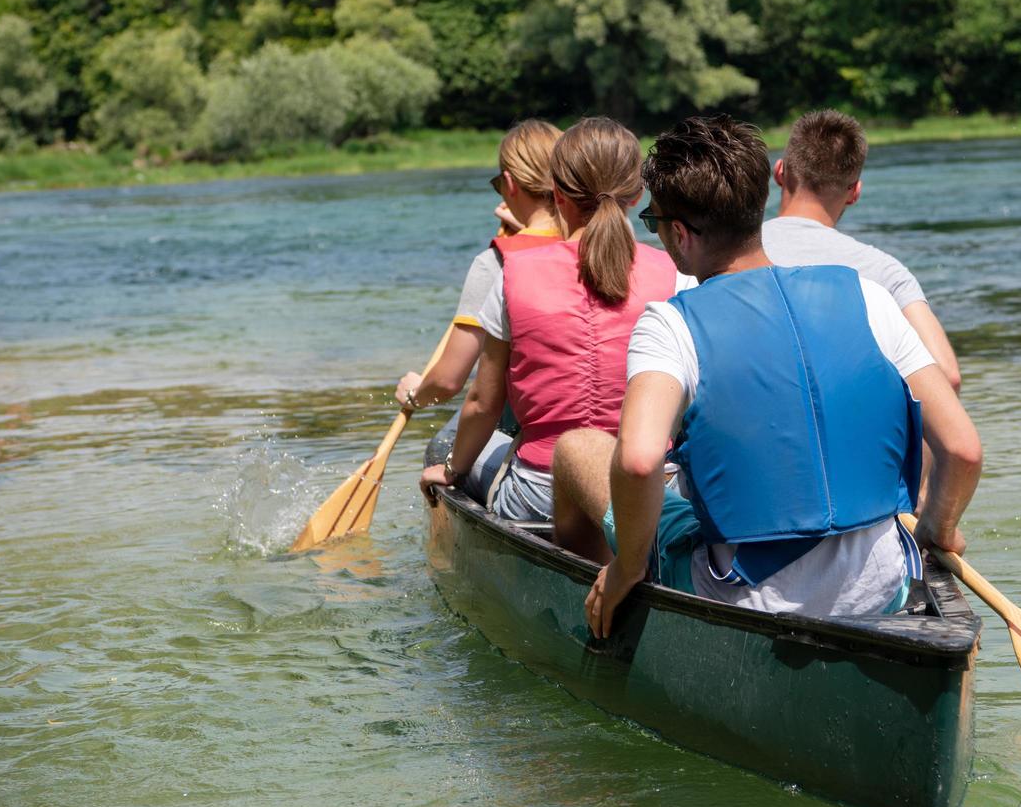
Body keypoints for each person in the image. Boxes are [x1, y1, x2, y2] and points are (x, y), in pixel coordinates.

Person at [549, 115, 982, 639]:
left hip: (745, 594)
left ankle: (593, 610)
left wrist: (627, 567)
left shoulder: (671, 323)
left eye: (654, 224)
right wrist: (938, 529)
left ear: (679, 235)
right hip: (880, 586)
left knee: (578, 449)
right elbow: (962, 449)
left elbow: (639, 461)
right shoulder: (868, 295)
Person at [419, 117, 684, 520]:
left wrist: (451, 470)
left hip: (539, 493)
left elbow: (483, 404)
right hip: (653, 489)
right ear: (638, 194)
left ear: (557, 194)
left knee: (447, 444)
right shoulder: (675, 275)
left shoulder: (514, 272)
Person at [766, 110, 961, 391]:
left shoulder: (732, 253)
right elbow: (948, 375)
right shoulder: (885, 271)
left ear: (780, 172)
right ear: (855, 192)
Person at [395, 119, 564, 412]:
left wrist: (415, 394)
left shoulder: (496, 263)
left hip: (532, 425)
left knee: (439, 449)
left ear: (510, 184)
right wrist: (525, 223)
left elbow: (447, 382)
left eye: (499, 184)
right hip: (606, 417)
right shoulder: (606, 240)